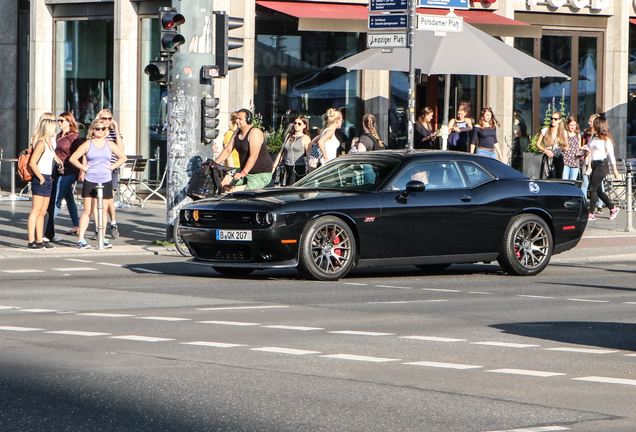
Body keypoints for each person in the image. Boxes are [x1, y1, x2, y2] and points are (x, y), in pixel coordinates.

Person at [69, 118, 127, 249]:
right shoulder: (88, 144)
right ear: (92, 130)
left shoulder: (110, 144)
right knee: (88, 210)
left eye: (103, 129)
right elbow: (73, 158)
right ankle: (81, 239)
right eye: (97, 129)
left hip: (106, 179)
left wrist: (112, 167)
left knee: (103, 210)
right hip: (91, 179)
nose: (100, 131)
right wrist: (84, 169)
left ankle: (102, 237)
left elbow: (123, 157)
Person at [44, 112, 83, 242]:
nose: (59, 123)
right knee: (69, 198)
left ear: (69, 122)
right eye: (58, 120)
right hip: (58, 171)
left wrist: (81, 171)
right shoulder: (58, 135)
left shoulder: (74, 137)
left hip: (69, 171)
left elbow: (82, 155)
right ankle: (77, 225)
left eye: (62, 120)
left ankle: (46, 227)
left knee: (57, 198)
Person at [215, 108, 273, 191]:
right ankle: (228, 202)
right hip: (243, 170)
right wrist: (214, 164)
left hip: (260, 173)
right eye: (236, 118)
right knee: (222, 182)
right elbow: (227, 150)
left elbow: (254, 155)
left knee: (246, 195)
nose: (237, 121)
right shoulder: (237, 132)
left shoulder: (254, 132)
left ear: (248, 120)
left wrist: (243, 173)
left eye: (240, 119)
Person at [27, 113, 61, 250]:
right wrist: (40, 177)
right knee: (36, 210)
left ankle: (40, 239)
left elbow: (52, 157)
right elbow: (32, 163)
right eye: (54, 127)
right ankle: (31, 240)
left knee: (43, 211)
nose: (56, 130)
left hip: (49, 178)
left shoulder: (50, 143)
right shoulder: (41, 143)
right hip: (41, 178)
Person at [93, 109, 125, 239]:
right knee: (96, 201)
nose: (107, 121)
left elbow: (121, 149)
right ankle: (98, 228)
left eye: (109, 118)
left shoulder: (113, 133)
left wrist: (116, 130)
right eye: (104, 118)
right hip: (96, 170)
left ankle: (113, 223)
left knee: (109, 201)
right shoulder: (95, 132)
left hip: (111, 169)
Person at [585, 116, 620, 221]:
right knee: (598, 191)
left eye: (594, 123)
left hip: (602, 165)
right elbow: (588, 146)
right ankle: (613, 208)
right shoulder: (593, 136)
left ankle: (591, 213)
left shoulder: (606, 139)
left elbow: (611, 155)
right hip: (593, 164)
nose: (592, 124)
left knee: (592, 188)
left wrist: (615, 170)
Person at [272, 115, 311, 186]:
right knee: (284, 188)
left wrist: (310, 170)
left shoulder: (305, 138)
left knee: (292, 188)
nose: (296, 125)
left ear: (304, 126)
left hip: (298, 167)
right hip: (286, 166)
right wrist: (274, 166)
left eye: (299, 124)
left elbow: (309, 155)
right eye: (295, 123)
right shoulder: (289, 136)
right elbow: (282, 152)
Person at [581, 113, 603, 213]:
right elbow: (584, 144)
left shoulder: (601, 134)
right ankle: (585, 204)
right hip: (588, 160)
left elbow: (605, 150)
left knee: (598, 184)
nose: (589, 123)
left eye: (591, 121)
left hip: (598, 162)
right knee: (586, 183)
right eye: (589, 121)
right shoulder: (587, 132)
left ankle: (600, 205)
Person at [536, 111, 567, 178]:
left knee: (558, 178)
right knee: (546, 177)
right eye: (552, 118)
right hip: (548, 157)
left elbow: (567, 146)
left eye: (555, 119)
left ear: (559, 120)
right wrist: (545, 150)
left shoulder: (563, 132)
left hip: (558, 157)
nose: (553, 120)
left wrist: (562, 149)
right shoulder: (545, 130)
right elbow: (538, 144)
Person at [562, 116, 581, 181]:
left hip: (575, 161)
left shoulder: (578, 135)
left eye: (574, 125)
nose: (572, 127)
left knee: (573, 181)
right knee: (565, 180)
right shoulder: (565, 134)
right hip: (566, 160)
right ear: (567, 125)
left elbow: (579, 147)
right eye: (571, 125)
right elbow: (562, 146)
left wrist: (579, 153)